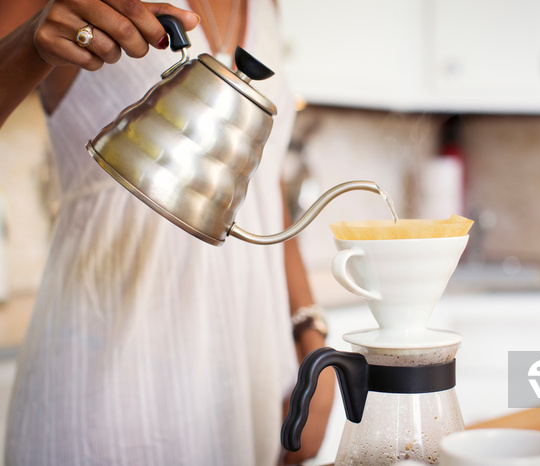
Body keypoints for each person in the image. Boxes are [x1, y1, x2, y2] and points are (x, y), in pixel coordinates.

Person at [0, 0, 335, 464]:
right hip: (111, 378)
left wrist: (309, 337)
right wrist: (35, 41)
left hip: (247, 377)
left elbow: (263, 184)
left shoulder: (267, 8)